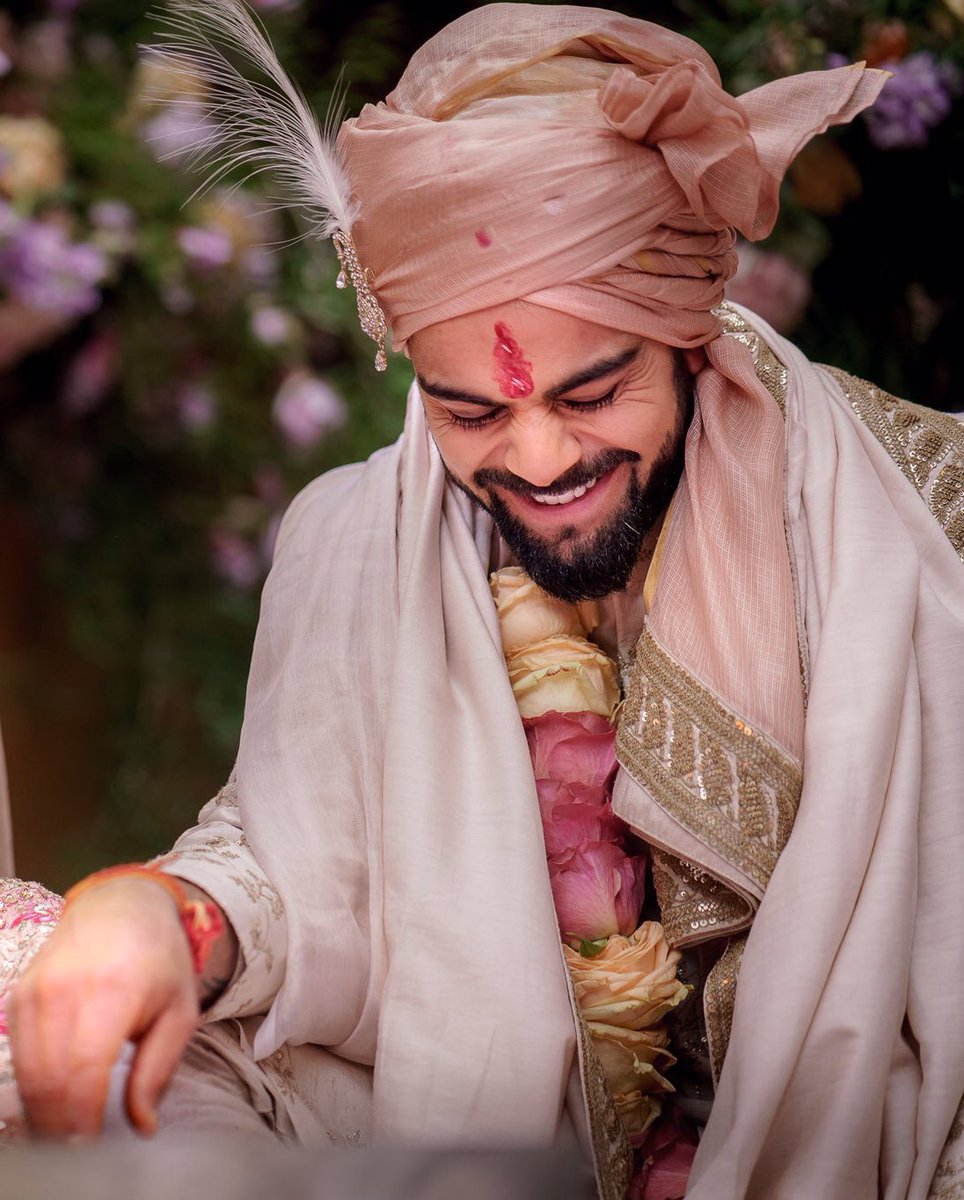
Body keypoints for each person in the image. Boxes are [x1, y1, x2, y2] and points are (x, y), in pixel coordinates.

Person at [4, 3, 964, 1197]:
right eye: (471, 412)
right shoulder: (357, 536)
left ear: (687, 333)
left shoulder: (918, 523)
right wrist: (160, 915)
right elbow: (289, 875)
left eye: (595, 389)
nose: (542, 457)